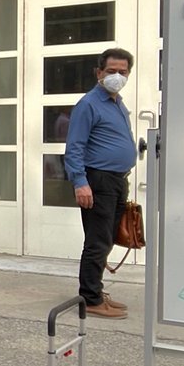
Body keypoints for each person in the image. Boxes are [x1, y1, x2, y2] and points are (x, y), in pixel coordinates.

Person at [63, 48, 137, 319]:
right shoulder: (89, 104)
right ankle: (90, 298)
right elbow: (74, 147)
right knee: (97, 240)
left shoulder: (117, 103)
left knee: (107, 239)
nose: (117, 76)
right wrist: (80, 183)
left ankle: (96, 288)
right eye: (111, 71)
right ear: (98, 73)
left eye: (123, 72)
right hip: (98, 180)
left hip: (117, 180)